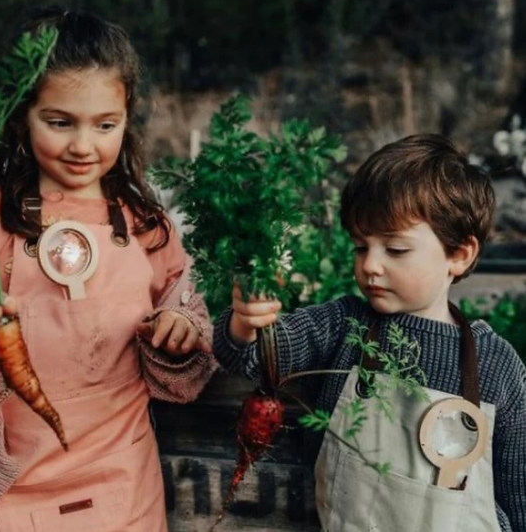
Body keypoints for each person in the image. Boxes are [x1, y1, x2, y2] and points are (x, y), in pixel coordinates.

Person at [0, 6, 217, 532]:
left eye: (105, 125)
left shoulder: (147, 225)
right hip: (11, 482)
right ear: (22, 116)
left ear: (127, 118)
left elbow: (185, 299)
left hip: (120, 478)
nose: (83, 146)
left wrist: (180, 329)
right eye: (59, 122)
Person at [213, 134, 526, 531]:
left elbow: (519, 501)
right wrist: (247, 321)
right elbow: (250, 356)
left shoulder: (497, 366)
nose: (371, 265)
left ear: (459, 255)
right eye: (361, 247)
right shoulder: (344, 326)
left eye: (395, 249)